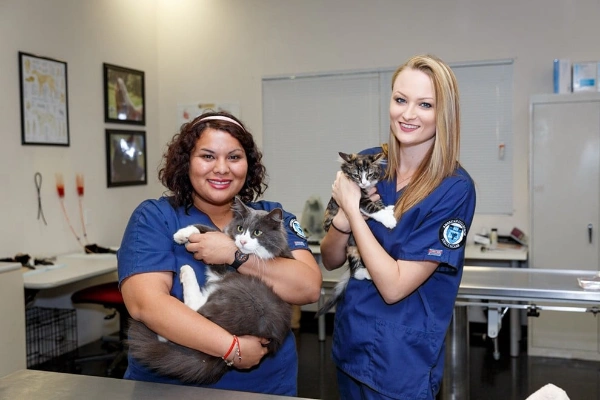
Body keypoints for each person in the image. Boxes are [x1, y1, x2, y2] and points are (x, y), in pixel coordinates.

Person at [117, 111, 322, 395]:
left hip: (264, 386)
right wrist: (231, 348)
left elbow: (308, 287)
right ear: (186, 162)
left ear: (248, 165)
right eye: (208, 156)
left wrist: (234, 255)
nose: (222, 169)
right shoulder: (154, 217)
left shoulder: (273, 216)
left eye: (234, 157)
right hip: (173, 385)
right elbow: (147, 304)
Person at [320, 54, 476, 400]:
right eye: (400, 100)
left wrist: (353, 209)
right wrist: (344, 220)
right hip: (352, 344)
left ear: (444, 113)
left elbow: (394, 287)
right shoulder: (370, 161)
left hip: (402, 362)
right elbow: (330, 258)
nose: (407, 114)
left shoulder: (453, 189)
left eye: (425, 104)